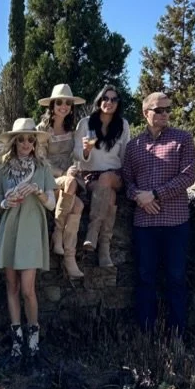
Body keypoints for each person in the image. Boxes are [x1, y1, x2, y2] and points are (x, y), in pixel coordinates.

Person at [121, 92, 195, 337]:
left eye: (167, 109)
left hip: (175, 222)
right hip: (144, 223)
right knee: (145, 279)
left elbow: (188, 176)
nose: (165, 114)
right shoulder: (133, 146)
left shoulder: (183, 139)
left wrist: (155, 194)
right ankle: (146, 334)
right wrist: (139, 197)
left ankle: (177, 335)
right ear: (146, 113)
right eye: (159, 110)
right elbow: (127, 182)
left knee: (175, 278)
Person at [0, 118, 57, 360]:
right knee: (12, 285)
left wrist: (38, 193)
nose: (26, 143)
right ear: (14, 142)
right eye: (22, 139)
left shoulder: (42, 168)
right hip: (10, 228)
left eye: (31, 139)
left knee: (28, 289)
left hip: (30, 228)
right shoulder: (3, 168)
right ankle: (17, 341)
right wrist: (5, 202)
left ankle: (33, 338)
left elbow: (52, 205)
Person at [75, 84, 131, 268]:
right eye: (105, 98)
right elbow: (76, 155)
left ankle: (92, 233)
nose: (109, 102)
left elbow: (125, 156)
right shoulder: (85, 123)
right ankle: (104, 249)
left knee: (107, 179)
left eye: (114, 99)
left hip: (115, 174)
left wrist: (127, 178)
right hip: (91, 174)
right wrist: (86, 151)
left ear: (118, 103)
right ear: (99, 100)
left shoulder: (123, 125)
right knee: (109, 195)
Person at [38, 83, 86, 279]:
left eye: (68, 103)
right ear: (52, 105)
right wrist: (63, 172)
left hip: (68, 180)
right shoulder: (42, 129)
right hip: (49, 178)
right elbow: (40, 160)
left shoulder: (72, 130)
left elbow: (76, 156)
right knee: (70, 184)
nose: (64, 106)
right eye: (59, 102)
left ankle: (68, 254)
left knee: (79, 206)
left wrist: (76, 164)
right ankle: (59, 236)